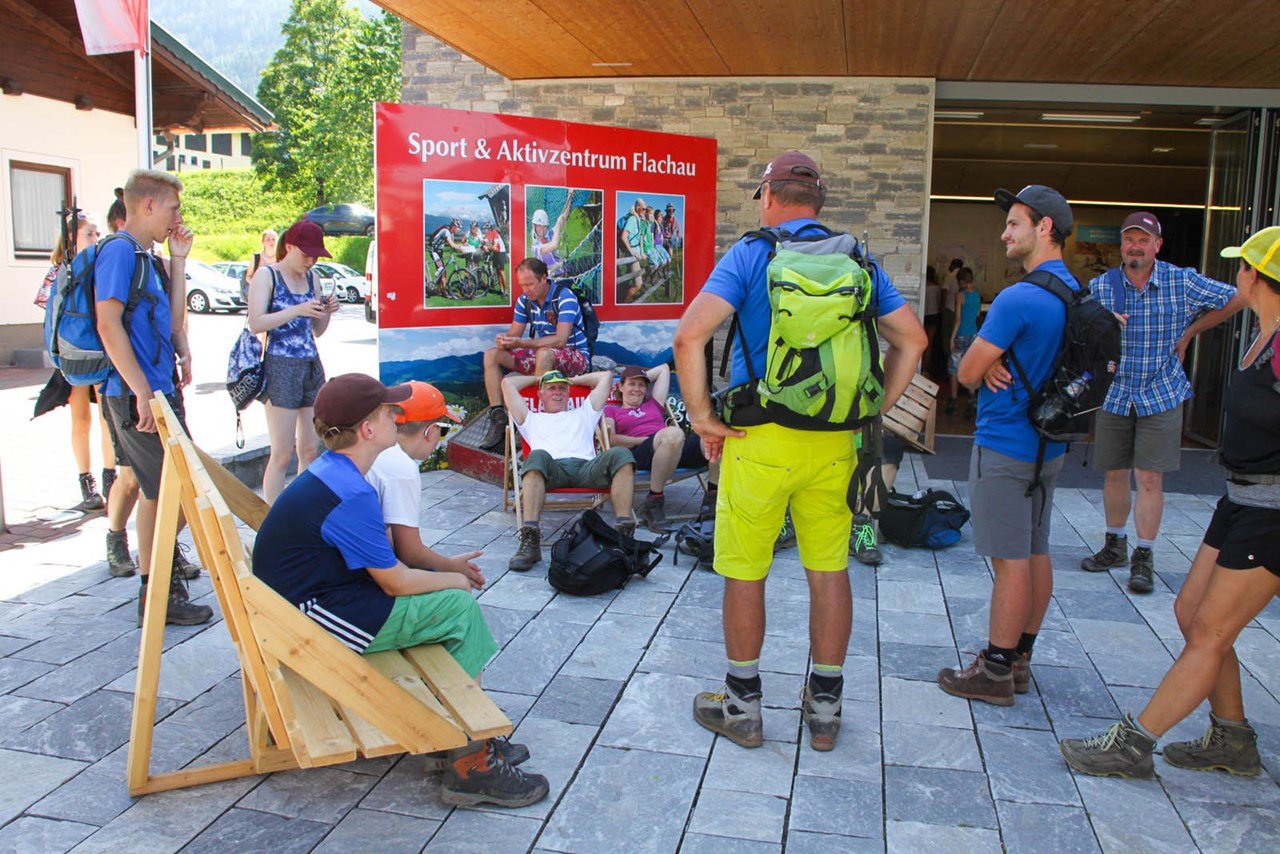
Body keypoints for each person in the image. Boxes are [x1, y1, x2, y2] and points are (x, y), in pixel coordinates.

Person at [672, 150, 925, 752]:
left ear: (768, 194)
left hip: (759, 440)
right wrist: (874, 410)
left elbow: (689, 335)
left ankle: (742, 706)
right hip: (837, 442)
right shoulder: (858, 258)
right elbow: (912, 341)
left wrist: (705, 418)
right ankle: (825, 707)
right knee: (828, 568)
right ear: (819, 201)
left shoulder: (752, 253)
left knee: (744, 569)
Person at [253, 374, 549, 807]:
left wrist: (444, 575)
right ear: (368, 430)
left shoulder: (332, 471)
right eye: (389, 411)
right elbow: (395, 579)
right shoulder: (352, 492)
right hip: (310, 625)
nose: (397, 415)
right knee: (458, 608)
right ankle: (470, 761)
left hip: (296, 608)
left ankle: (455, 735)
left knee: (448, 603)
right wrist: (455, 578)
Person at [1059, 226, 1280, 780]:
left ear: (1254, 276)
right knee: (1188, 612)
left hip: (1273, 511)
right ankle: (1232, 737)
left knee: (1210, 632)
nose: (1238, 275)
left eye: (1243, 267)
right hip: (1239, 499)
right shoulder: (1262, 332)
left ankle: (1132, 745)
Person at [935, 185, 1079, 707]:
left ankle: (994, 669)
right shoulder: (1072, 292)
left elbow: (968, 371)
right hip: (1050, 447)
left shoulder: (1020, 297)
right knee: (1036, 550)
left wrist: (986, 362)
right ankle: (1021, 657)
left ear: (1044, 228)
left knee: (1009, 560)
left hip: (1006, 444)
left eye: (1014, 223)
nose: (1004, 233)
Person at [1080, 211, 1243, 593]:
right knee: (1115, 472)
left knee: (1150, 478)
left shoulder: (1181, 281)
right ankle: (1114, 545)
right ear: (1121, 245)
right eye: (1129, 240)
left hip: (1161, 391)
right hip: (1116, 393)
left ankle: (1144, 555)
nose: (1135, 246)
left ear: (1157, 245)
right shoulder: (1102, 287)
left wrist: (1190, 332)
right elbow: (1078, 330)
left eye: (1143, 240)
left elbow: (1237, 297)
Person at [96, 169, 211, 625]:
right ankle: (157, 590)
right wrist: (142, 392)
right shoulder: (120, 252)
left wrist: (179, 260)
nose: (177, 217)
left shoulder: (148, 256)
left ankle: (159, 586)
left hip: (157, 391)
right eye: (173, 207)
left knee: (165, 493)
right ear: (147, 205)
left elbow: (173, 323)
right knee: (168, 494)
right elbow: (108, 325)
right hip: (137, 395)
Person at [504, 369, 637, 571]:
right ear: (540, 395)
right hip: (551, 469)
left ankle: (623, 535)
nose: (557, 392)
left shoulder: (584, 412)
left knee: (621, 454)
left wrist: (572, 379)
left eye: (561, 388)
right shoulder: (530, 419)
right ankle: (530, 542)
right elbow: (507, 384)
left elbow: (606, 377)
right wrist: (539, 379)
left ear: (568, 393)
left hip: (586, 468)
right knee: (536, 455)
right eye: (551, 388)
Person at [248, 220, 341, 503]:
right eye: (306, 255)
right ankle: (271, 518)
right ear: (289, 247)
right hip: (280, 365)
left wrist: (326, 312)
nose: (310, 261)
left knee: (311, 449)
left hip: (310, 363)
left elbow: (315, 331)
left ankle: (302, 513)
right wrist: (297, 309)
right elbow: (256, 322)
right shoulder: (268, 276)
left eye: (315, 256)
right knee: (282, 452)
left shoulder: (312, 277)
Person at [33, 211, 115, 511]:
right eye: (90, 234)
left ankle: (110, 477)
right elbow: (49, 315)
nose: (96, 239)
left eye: (96, 233)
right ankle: (87, 481)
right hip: (73, 354)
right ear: (72, 238)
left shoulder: (100, 266)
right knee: (81, 419)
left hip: (102, 350)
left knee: (108, 418)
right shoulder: (60, 271)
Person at [478, 257, 592, 451]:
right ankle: (498, 417)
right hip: (542, 352)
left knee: (544, 354)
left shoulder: (565, 297)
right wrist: (505, 340)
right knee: (491, 355)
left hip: (574, 356)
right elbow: (515, 334)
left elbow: (561, 340)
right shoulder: (525, 301)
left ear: (544, 278)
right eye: (522, 285)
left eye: (530, 284)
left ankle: (535, 422)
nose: (526, 290)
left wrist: (522, 343)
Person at [604, 364, 718, 531]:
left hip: (671, 446)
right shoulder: (611, 411)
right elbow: (612, 439)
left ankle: (712, 502)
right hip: (640, 453)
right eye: (631, 384)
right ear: (620, 386)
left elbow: (664, 369)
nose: (637, 389)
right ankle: (654, 502)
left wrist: (638, 376)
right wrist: (644, 440)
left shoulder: (653, 403)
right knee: (672, 434)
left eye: (641, 385)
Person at [946, 266, 981, 416]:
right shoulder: (977, 294)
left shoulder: (960, 295)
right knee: (970, 366)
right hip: (974, 334)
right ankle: (972, 399)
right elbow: (978, 313)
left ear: (961, 281)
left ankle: (953, 401)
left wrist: (951, 338)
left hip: (961, 335)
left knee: (954, 367)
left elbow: (958, 319)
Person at [530, 206, 570, 278]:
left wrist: (570, 197)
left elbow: (563, 218)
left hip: (566, 273)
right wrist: (558, 226)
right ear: (534, 226)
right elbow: (554, 245)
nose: (542, 229)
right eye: (539, 226)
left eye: (544, 226)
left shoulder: (550, 236)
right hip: (553, 281)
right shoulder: (536, 248)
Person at [242, 228, 278, 303]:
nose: (271, 242)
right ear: (263, 242)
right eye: (268, 239)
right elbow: (248, 277)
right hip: (259, 295)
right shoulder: (256, 257)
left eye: (273, 239)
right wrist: (259, 285)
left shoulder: (281, 257)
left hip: (277, 295)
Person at [922, 265, 942, 376]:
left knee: (922, 342)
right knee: (929, 343)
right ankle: (925, 369)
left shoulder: (922, 287)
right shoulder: (936, 287)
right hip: (934, 314)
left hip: (923, 314)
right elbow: (939, 301)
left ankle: (920, 367)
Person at [482, 221, 508, 297]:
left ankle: (505, 292)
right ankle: (501, 290)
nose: (485, 231)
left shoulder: (495, 234)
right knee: (497, 271)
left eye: (486, 229)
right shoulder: (488, 234)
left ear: (490, 229)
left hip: (500, 252)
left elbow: (494, 247)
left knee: (501, 272)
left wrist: (487, 247)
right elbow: (484, 243)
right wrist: (483, 246)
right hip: (496, 252)